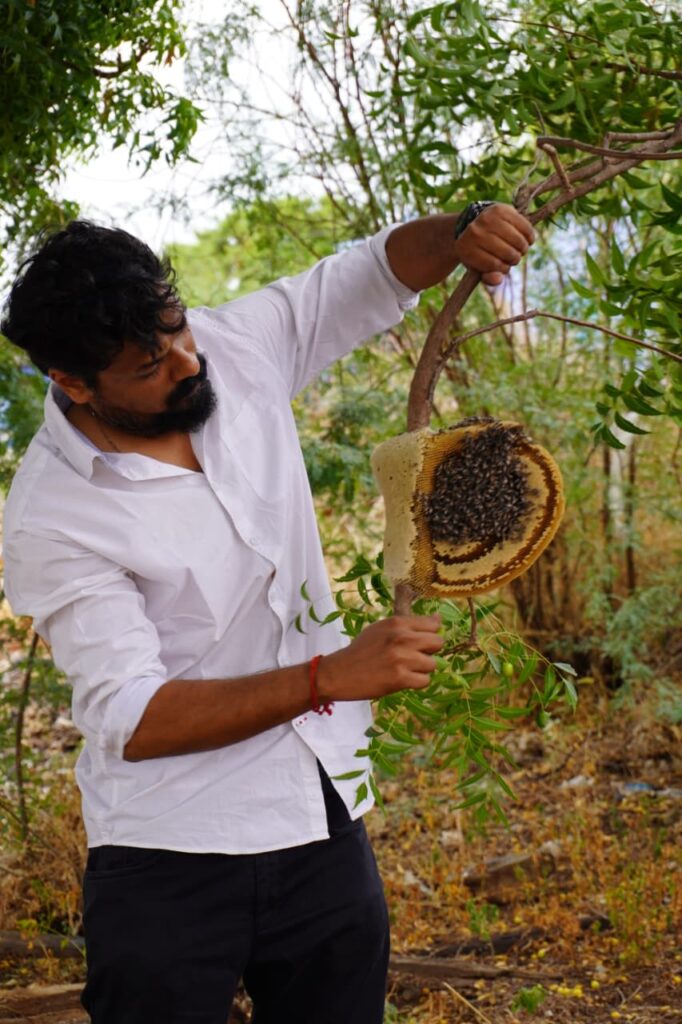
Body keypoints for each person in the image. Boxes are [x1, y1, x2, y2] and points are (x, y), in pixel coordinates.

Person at [1, 204, 534, 1024]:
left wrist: (461, 231)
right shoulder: (52, 516)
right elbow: (133, 718)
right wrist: (329, 677)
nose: (188, 363)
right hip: (170, 853)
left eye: (179, 329)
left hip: (322, 817)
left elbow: (372, 272)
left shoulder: (232, 346)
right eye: (149, 365)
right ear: (73, 382)